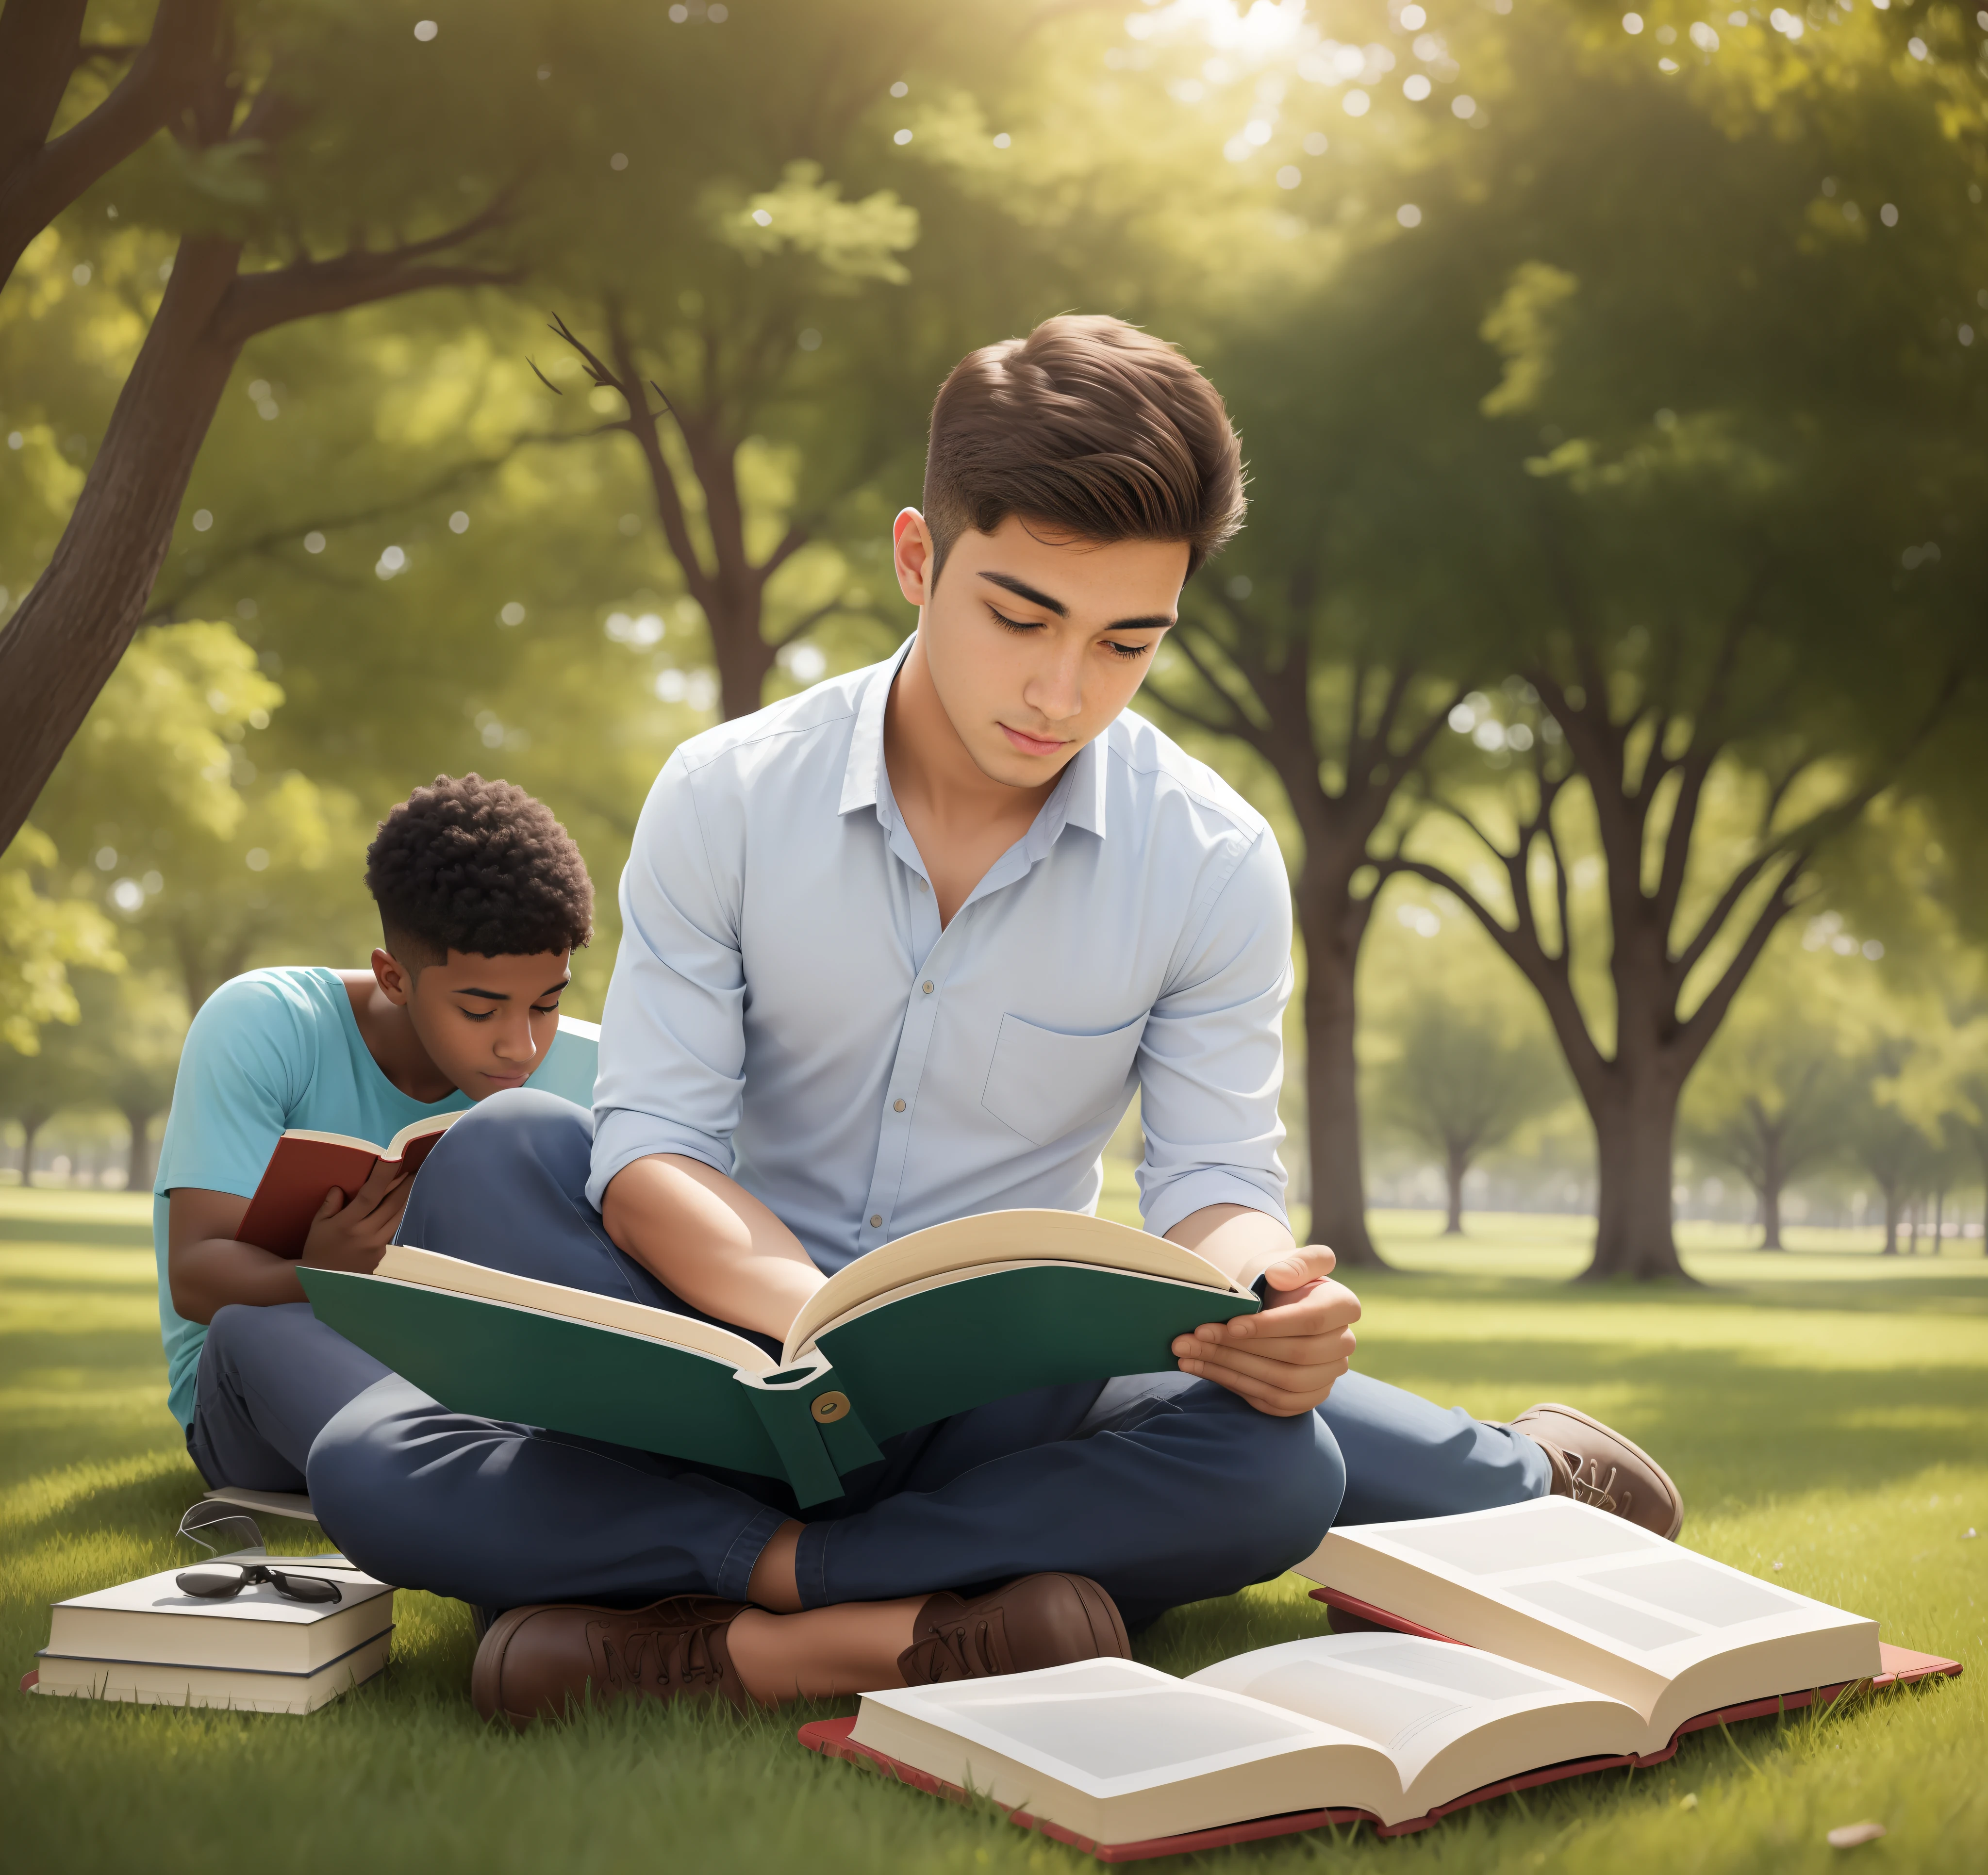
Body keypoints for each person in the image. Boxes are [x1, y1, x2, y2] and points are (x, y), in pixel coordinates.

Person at [231, 316, 1678, 1723]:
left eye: (1129, 642)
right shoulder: (727, 793)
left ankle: (721, 1625)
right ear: (921, 560)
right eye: (1022, 616)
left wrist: (1268, 1293)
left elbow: (1212, 1185)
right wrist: (811, 1329)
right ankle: (917, 1600)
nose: (1064, 692)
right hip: (717, 1349)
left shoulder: (1213, 857)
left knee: (1279, 1471)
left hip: (1008, 1390)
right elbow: (657, 1140)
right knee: (454, 1265)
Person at [155, 773, 598, 1491]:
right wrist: (323, 1277)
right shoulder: (265, 1026)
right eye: (480, 1012)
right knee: (246, 1331)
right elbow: (199, 1278)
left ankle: (510, 1489)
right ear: (394, 979)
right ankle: (502, 1491)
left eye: (546, 1005)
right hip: (271, 1380)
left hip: (482, 1374)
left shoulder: (594, 1069)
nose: (520, 1046)